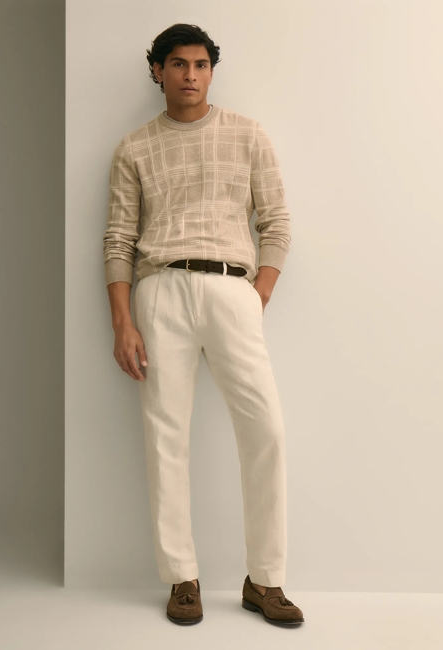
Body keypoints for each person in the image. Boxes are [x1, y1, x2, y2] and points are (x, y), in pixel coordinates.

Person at [103, 23, 304, 627]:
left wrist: (257, 294)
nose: (190, 75)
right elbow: (118, 239)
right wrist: (122, 322)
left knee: (266, 430)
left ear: (212, 72)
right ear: (157, 71)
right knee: (166, 435)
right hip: (160, 289)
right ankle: (181, 577)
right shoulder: (134, 148)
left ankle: (265, 580)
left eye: (201, 65)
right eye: (178, 64)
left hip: (232, 289)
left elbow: (276, 221)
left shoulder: (247, 134)